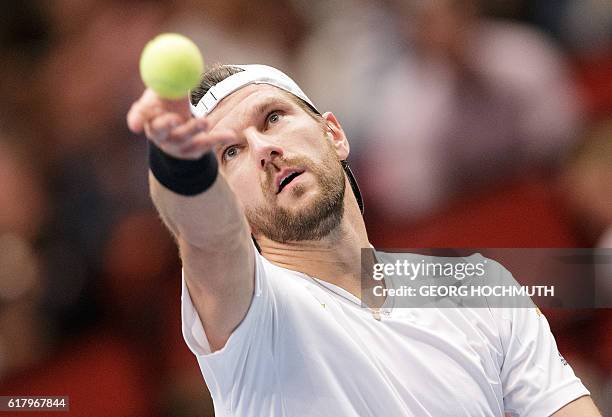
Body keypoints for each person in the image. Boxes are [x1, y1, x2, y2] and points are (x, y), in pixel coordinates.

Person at [126, 64, 601, 416]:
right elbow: (208, 238)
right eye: (230, 152)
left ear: (333, 133)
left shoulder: (475, 286)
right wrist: (180, 167)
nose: (264, 150)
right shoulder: (252, 320)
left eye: (272, 118)